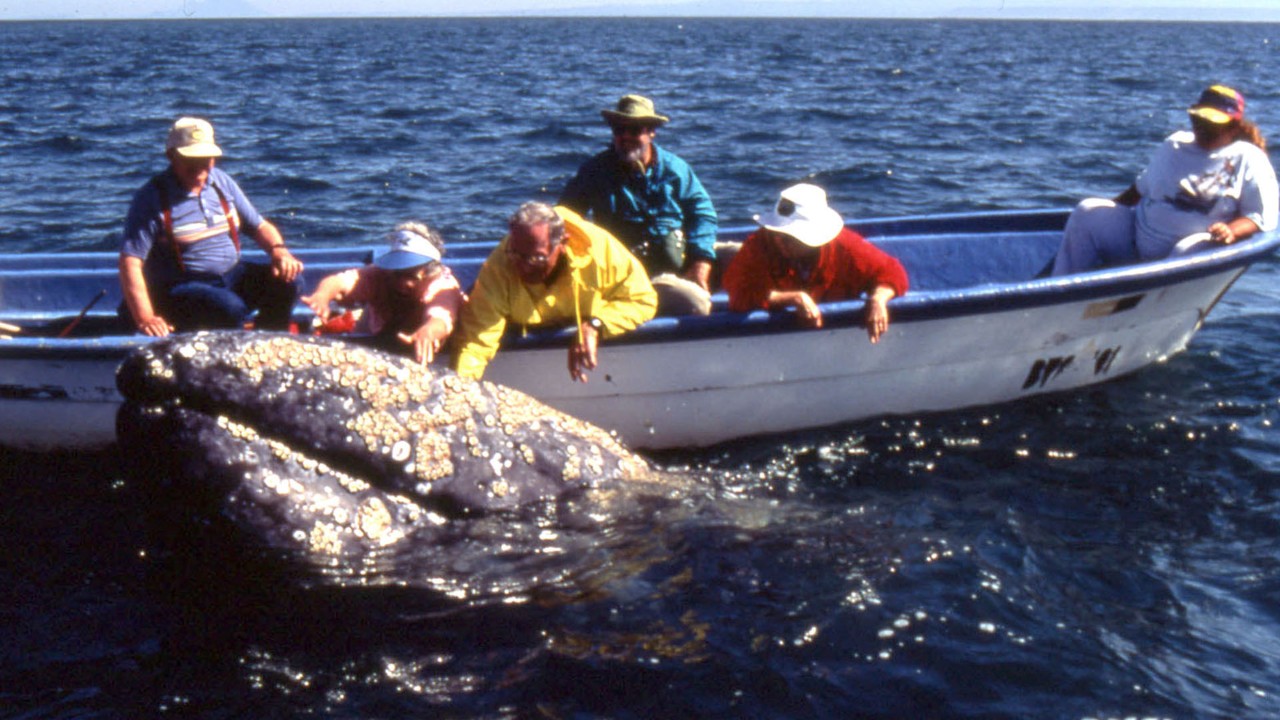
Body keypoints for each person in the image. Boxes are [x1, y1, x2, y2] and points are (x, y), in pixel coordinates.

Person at [1051, 85, 1278, 276]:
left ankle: (1153, 296)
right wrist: (1107, 210)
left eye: (1213, 125)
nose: (1202, 128)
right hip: (1137, 244)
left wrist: (1231, 230)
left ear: (1233, 126)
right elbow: (1138, 190)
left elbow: (1259, 217)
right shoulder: (1174, 145)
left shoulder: (1248, 158)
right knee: (1086, 211)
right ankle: (1061, 291)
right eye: (1198, 120)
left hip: (1186, 253)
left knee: (1185, 249)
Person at [119, 117, 304, 336]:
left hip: (231, 275)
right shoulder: (151, 198)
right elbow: (130, 262)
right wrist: (146, 318)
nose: (200, 167)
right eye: (191, 159)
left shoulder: (222, 182)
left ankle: (269, 342)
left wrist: (278, 251)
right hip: (181, 287)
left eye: (206, 158)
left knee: (290, 283)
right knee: (229, 307)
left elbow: (259, 226)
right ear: (171, 156)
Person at [452, 202, 658, 383]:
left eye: (536, 258)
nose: (523, 267)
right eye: (516, 255)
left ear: (563, 244)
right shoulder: (499, 267)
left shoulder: (603, 253)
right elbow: (475, 343)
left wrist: (596, 325)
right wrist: (460, 391)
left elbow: (642, 300)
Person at [559, 94, 718, 315]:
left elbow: (703, 215)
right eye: (618, 130)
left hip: (681, 254)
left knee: (743, 257)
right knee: (696, 303)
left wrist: (700, 263)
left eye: (634, 130)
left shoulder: (676, 169)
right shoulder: (594, 172)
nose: (625, 137)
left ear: (651, 132)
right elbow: (565, 218)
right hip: (637, 273)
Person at [722, 183, 909, 343]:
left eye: (789, 238)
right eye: (776, 234)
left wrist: (878, 299)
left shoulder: (845, 247)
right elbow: (738, 294)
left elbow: (893, 272)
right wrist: (793, 298)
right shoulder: (759, 245)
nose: (779, 241)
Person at [302, 222, 466, 364]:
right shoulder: (379, 274)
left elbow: (441, 317)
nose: (402, 283)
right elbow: (340, 282)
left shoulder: (442, 285)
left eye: (411, 276)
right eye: (398, 274)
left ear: (430, 272)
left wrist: (429, 332)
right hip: (378, 333)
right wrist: (322, 296)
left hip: (420, 345)